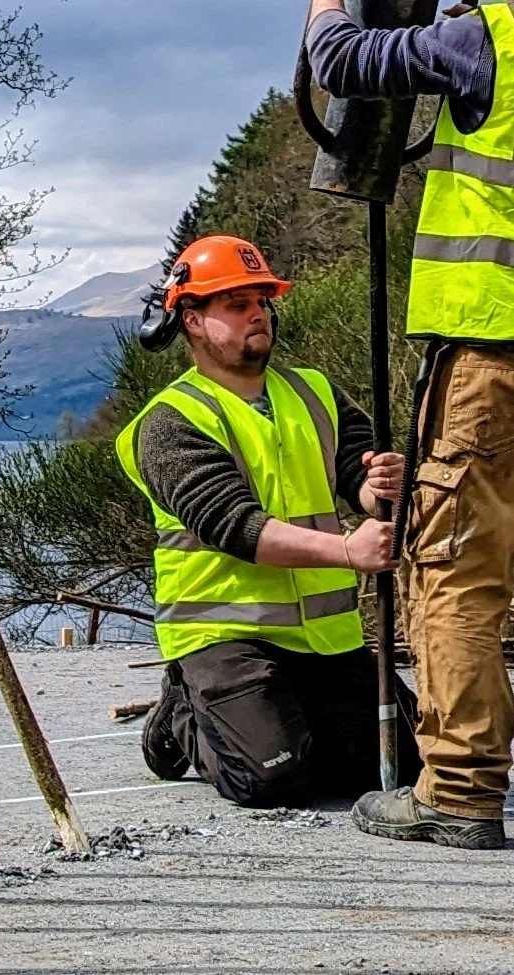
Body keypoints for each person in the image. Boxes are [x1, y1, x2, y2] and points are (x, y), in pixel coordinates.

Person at [307, 0, 514, 848]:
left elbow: (341, 60)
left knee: (455, 566)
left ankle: (459, 788)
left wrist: (324, 4)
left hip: (491, 349)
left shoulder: (485, 36)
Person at [116, 234, 420, 808]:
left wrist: (381, 490)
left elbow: (358, 477)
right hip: (224, 636)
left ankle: (285, 720)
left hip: (325, 638)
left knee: (400, 767)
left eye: (262, 300)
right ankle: (180, 713)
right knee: (272, 780)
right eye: (236, 303)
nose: (258, 312)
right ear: (193, 321)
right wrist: (350, 552)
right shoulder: (170, 423)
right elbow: (233, 524)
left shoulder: (315, 392)